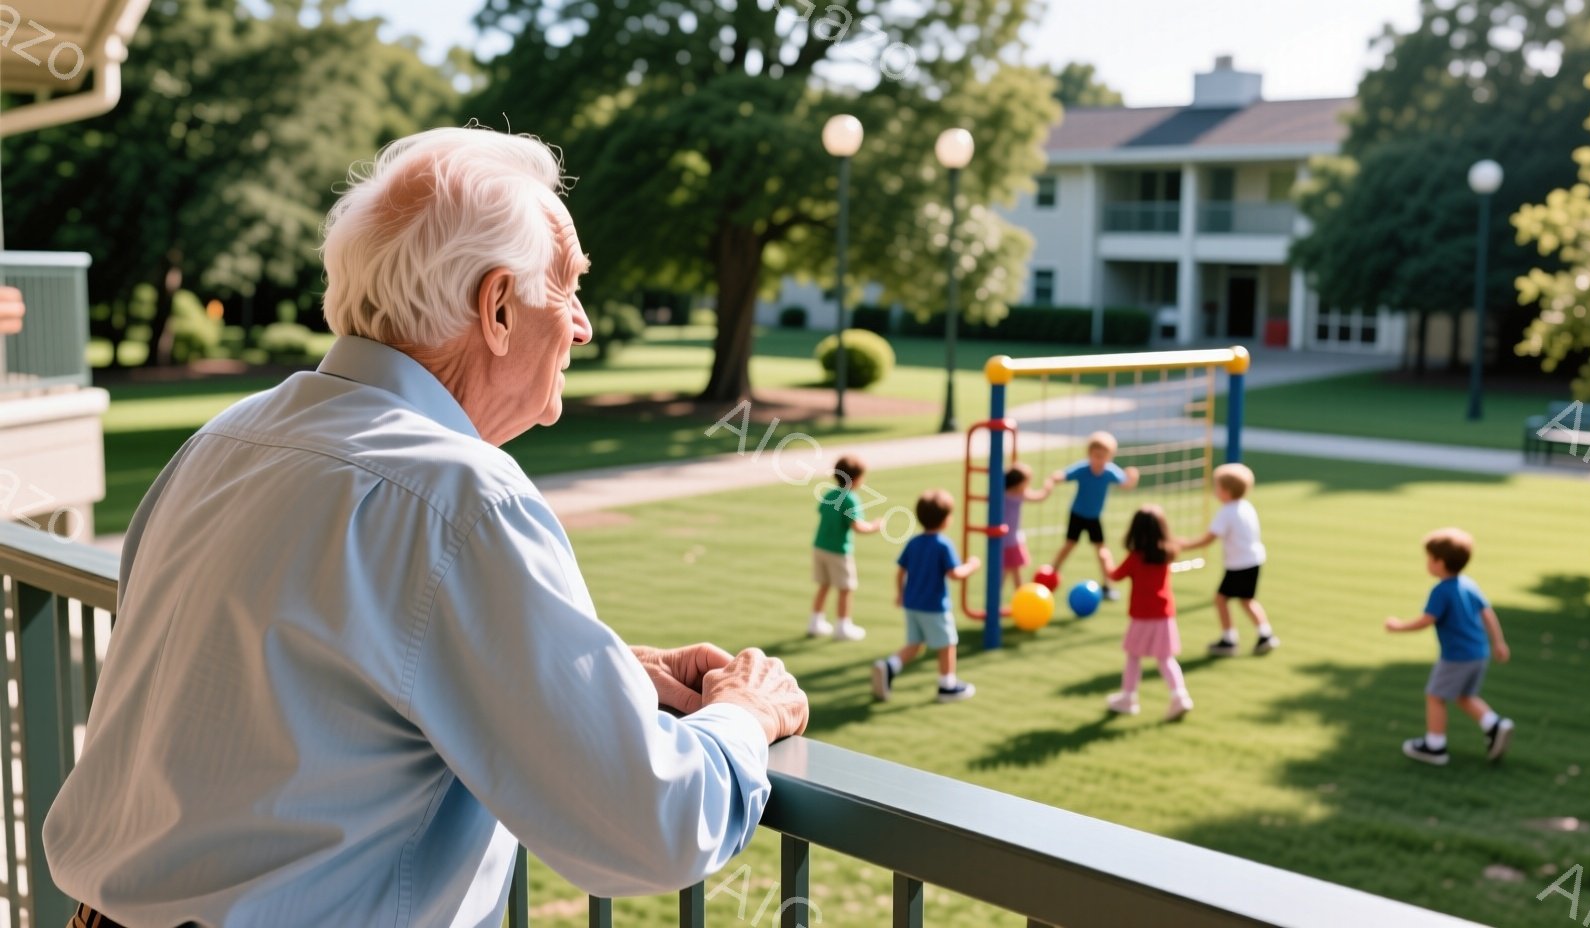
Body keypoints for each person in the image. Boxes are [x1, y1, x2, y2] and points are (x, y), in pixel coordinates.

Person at [44, 127, 809, 928]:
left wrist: (596, 674)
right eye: (570, 287)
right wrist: (744, 714)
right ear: (500, 307)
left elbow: (302, 675)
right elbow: (649, 823)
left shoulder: (227, 439)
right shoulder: (461, 495)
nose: (581, 326)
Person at [1386, 527, 1514, 766]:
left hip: (1457, 656)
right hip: (1479, 652)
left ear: (1439, 562)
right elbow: (1487, 613)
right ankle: (1494, 725)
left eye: (1429, 558)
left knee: (1435, 696)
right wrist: (1499, 642)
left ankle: (1435, 746)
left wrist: (1398, 627)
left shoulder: (1441, 591)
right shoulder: (1469, 584)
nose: (1427, 563)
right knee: (1464, 696)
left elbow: (1427, 620)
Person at [871, 490, 981, 703]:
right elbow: (955, 574)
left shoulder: (914, 542)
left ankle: (890, 666)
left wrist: (900, 594)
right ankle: (947, 686)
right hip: (934, 606)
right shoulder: (943, 544)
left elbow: (900, 571)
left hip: (912, 604)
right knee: (947, 644)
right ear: (946, 519)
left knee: (915, 644)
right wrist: (972, 565)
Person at [1105, 505, 1193, 721]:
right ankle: (1180, 696)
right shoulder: (1167, 552)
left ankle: (1128, 697)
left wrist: (1104, 558)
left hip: (1142, 616)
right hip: (1164, 615)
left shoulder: (1136, 557)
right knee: (1166, 658)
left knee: (1134, 656)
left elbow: (1115, 576)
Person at [1180, 462, 1277, 656]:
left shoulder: (1227, 512)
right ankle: (1265, 634)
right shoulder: (1246, 506)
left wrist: (1184, 545)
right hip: (1254, 561)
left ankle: (1229, 639)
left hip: (1238, 565)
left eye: (1217, 487)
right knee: (1247, 600)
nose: (1215, 491)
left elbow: (1209, 539)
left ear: (1226, 491)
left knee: (1221, 599)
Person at [1048, 431, 1139, 599]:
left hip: (1094, 518)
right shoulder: (1083, 469)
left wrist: (1132, 478)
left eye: (1104, 457)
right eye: (1096, 456)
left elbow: (1125, 484)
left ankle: (1108, 584)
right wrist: (1053, 479)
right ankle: (1050, 575)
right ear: (1089, 455)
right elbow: (1064, 475)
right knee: (1068, 546)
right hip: (1077, 514)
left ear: (1110, 457)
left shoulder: (1109, 472)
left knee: (1102, 552)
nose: (1099, 461)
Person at [806, 454, 879, 640]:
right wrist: (875, 526)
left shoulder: (829, 495)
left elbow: (822, 513)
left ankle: (815, 621)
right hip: (838, 550)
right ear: (855, 478)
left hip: (819, 547)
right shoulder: (850, 499)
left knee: (824, 585)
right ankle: (843, 626)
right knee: (846, 589)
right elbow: (858, 526)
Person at [1000, 462, 1052, 594]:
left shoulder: (1003, 493)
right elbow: (1040, 497)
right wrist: (1048, 487)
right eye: (1027, 482)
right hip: (1010, 540)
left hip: (1007, 539)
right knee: (1010, 570)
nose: (1028, 486)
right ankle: (1019, 595)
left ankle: (1013, 595)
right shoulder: (1018, 494)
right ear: (1019, 483)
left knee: (1009, 570)